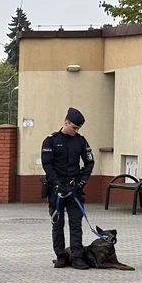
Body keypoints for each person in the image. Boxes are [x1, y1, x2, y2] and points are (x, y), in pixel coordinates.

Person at [41, 107, 95, 270]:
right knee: (58, 224)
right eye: (74, 127)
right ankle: (61, 256)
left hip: (74, 189)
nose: (76, 131)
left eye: (78, 128)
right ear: (66, 122)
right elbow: (47, 165)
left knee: (75, 224)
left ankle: (77, 257)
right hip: (56, 189)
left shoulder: (80, 141)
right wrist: (56, 183)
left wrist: (82, 182)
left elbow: (89, 162)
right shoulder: (51, 140)